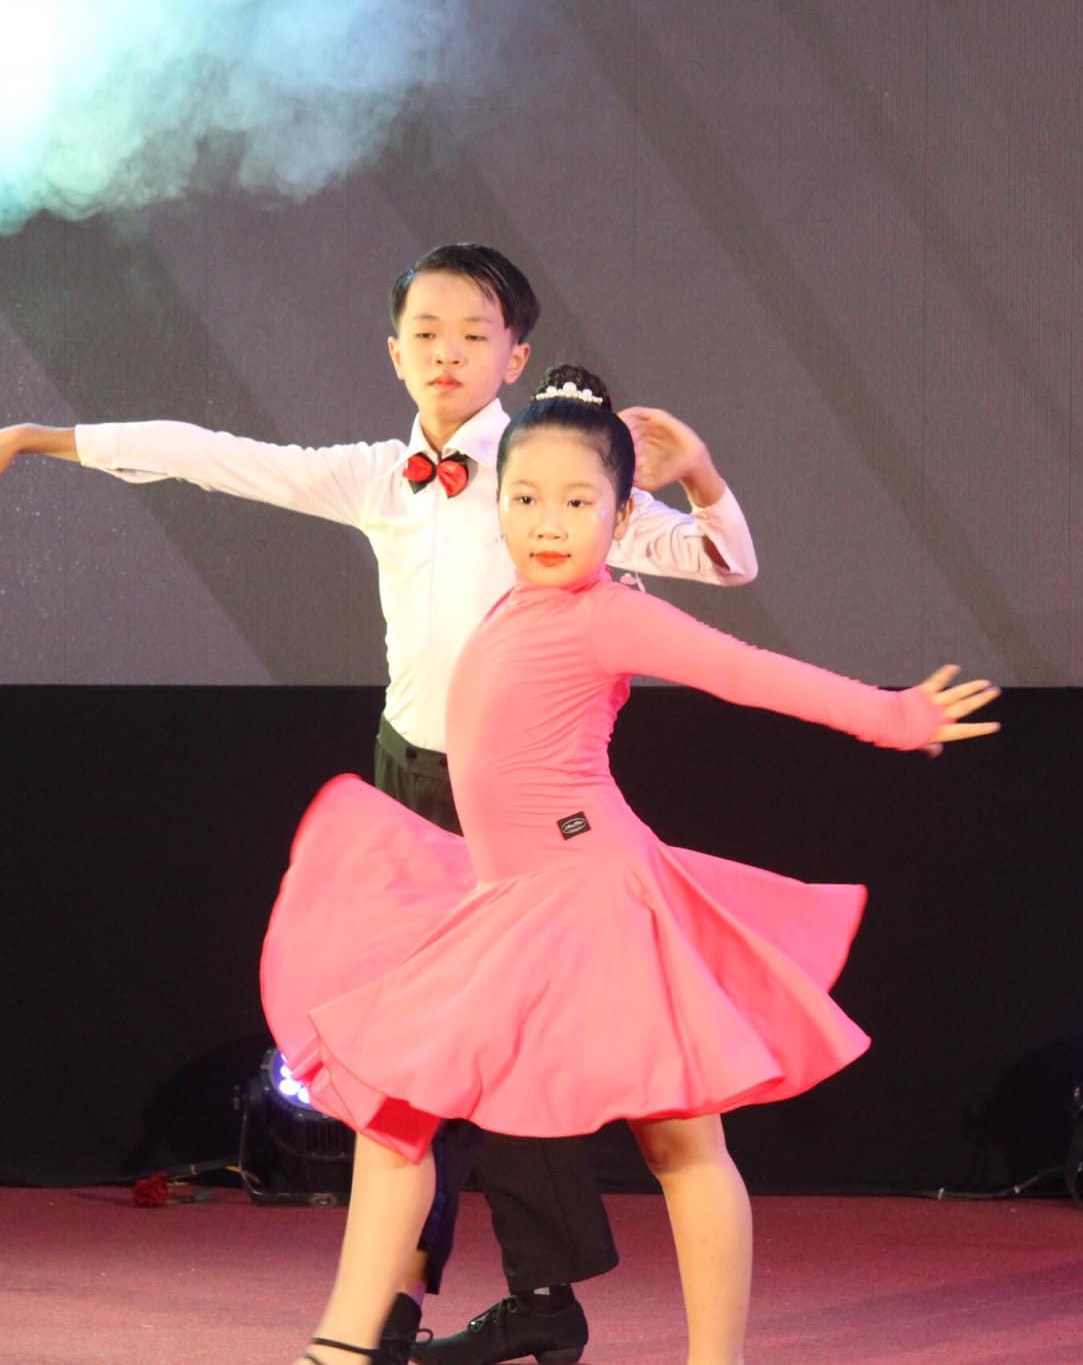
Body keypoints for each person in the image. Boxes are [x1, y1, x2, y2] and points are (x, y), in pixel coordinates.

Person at [0, 247, 761, 1363]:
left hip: (525, 814)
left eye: (474, 333)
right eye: (426, 333)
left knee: (519, 1063)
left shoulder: (551, 474)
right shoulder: (377, 476)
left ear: (516, 355)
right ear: (393, 352)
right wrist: (39, 438)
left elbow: (723, 562)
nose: (447, 354)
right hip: (409, 797)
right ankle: (401, 1309)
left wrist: (699, 473)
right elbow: (212, 457)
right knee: (404, 1077)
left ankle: (526, 1298)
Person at [267, 365, 1000, 1365]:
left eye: (578, 504)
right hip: (514, 896)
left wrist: (892, 715)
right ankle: (342, 1349)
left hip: (592, 893)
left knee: (679, 1139)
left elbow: (749, 674)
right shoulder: (517, 602)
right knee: (394, 1104)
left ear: (618, 519)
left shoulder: (609, 612)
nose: (548, 522)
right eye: (526, 498)